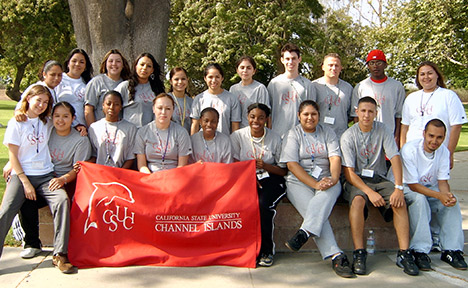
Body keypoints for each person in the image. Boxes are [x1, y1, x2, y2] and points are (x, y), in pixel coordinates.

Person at [0, 85, 75, 274]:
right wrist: (25, 182)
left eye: (45, 102)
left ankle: (60, 254)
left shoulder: (47, 122)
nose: (41, 105)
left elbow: (62, 120)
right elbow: (13, 157)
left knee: (61, 200)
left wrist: (80, 127)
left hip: (45, 176)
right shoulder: (16, 123)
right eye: (38, 100)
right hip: (21, 176)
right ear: (28, 99)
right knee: (6, 210)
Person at [341, 96, 418, 276]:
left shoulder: (383, 129)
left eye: (370, 111)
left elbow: (395, 158)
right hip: (357, 180)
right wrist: (369, 192)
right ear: (357, 112)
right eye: (363, 111)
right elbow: (349, 173)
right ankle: (360, 253)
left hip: (379, 178)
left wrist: (398, 187)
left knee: (398, 201)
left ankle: (404, 253)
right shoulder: (348, 136)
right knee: (359, 200)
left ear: (376, 113)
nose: (366, 115)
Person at [280, 100, 353, 277]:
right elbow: (292, 165)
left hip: (327, 179)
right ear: (299, 116)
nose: (310, 118)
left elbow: (335, 158)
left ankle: (304, 233)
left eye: (313, 114)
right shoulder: (293, 134)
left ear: (319, 116)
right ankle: (336, 255)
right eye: (305, 114)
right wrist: (314, 184)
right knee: (317, 214)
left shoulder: (327, 132)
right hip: (299, 181)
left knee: (317, 208)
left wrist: (334, 178)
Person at [12, 101, 92, 259]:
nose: (60, 120)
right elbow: (23, 147)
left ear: (73, 118)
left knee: (62, 201)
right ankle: (32, 243)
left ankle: (60, 250)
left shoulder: (80, 140)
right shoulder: (47, 131)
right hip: (42, 178)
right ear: (51, 118)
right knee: (27, 199)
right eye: (56, 116)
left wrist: (62, 179)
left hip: (65, 182)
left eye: (65, 116)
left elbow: (77, 169)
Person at [402, 119, 467, 271]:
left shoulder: (444, 151)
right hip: (407, 188)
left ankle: (451, 250)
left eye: (439, 137)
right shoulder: (409, 149)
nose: (434, 141)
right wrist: (439, 196)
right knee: (419, 200)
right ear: (424, 134)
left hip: (430, 188)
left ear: (444, 137)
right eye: (431, 136)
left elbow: (442, 182)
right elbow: (413, 185)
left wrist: (446, 196)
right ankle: (420, 251)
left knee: (452, 202)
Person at [231, 103, 286, 267]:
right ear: (247, 117)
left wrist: (265, 166)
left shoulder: (275, 138)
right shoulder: (238, 136)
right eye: (253, 117)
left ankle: (266, 250)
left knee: (263, 204)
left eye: (261, 118)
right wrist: (248, 176)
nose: (256, 121)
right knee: (241, 203)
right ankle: (244, 250)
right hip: (244, 178)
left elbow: (283, 171)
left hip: (271, 178)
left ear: (266, 120)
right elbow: (233, 165)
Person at [400, 61, 467, 169]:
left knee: (435, 185)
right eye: (422, 74)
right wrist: (403, 150)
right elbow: (405, 127)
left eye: (429, 73)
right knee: (409, 185)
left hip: (437, 154)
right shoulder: (411, 98)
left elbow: (456, 126)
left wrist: (449, 154)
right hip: (412, 154)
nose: (426, 77)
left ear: (437, 75)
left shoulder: (448, 96)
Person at [351, 50, 405, 145]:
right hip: (366, 138)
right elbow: (356, 115)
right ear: (368, 66)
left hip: (388, 137)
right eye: (372, 63)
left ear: (385, 65)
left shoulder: (396, 86)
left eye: (379, 63)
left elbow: (399, 115)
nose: (375, 66)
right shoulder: (361, 86)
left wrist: (396, 137)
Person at [267, 43, 316, 138]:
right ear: (282, 60)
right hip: (278, 135)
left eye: (294, 58)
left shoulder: (307, 85)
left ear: (299, 59)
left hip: (301, 136)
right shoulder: (274, 84)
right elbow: (268, 113)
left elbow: (312, 112)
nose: (290, 62)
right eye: (287, 59)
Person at [135, 93, 192, 172]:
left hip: (174, 175)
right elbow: (142, 165)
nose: (163, 112)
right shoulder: (142, 132)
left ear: (173, 110)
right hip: (149, 176)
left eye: (168, 108)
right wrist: (150, 178)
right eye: (160, 108)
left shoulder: (181, 132)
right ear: (153, 109)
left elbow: (182, 166)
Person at [88, 90, 137, 169]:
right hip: (99, 173)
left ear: (121, 106)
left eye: (116, 104)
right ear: (103, 105)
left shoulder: (130, 128)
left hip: (120, 174)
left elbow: (130, 157)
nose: (111, 107)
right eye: (108, 104)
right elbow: (93, 155)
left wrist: (118, 174)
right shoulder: (94, 127)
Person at [115, 52, 165, 128]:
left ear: (152, 70)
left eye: (149, 66)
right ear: (136, 66)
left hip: (150, 134)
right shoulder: (125, 86)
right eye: (142, 64)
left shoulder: (157, 89)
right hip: (129, 133)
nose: (144, 68)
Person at [190, 63, 241, 135]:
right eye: (210, 77)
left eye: (217, 77)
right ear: (205, 78)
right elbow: (195, 124)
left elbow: (235, 126)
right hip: (203, 144)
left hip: (225, 143)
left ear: (222, 78)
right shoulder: (199, 99)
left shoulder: (231, 98)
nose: (213, 80)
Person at [84, 49, 131, 127]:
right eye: (110, 61)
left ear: (123, 65)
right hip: (101, 130)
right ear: (105, 64)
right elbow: (88, 110)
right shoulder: (96, 82)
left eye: (118, 61)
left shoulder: (128, 84)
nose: (114, 64)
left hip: (121, 131)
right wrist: (93, 131)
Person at [312, 53, 353, 139]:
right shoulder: (314, 86)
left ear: (341, 68)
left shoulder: (348, 88)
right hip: (318, 137)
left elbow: (351, 114)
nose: (333, 68)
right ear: (323, 67)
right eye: (330, 65)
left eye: (336, 65)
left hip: (341, 138)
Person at [55, 48, 94, 128]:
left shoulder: (88, 84)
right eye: (74, 61)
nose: (77, 64)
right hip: (61, 128)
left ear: (85, 67)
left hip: (81, 130)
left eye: (82, 62)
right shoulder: (58, 79)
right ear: (68, 63)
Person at [229, 56, 270, 129]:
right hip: (237, 132)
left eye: (248, 68)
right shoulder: (233, 89)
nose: (245, 70)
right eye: (242, 67)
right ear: (237, 70)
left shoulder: (260, 88)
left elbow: (265, 114)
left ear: (254, 71)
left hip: (255, 131)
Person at [168, 67, 193, 133]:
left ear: (187, 80)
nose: (180, 82)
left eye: (183, 79)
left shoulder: (192, 102)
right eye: (176, 79)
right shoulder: (165, 100)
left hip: (187, 140)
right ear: (171, 81)